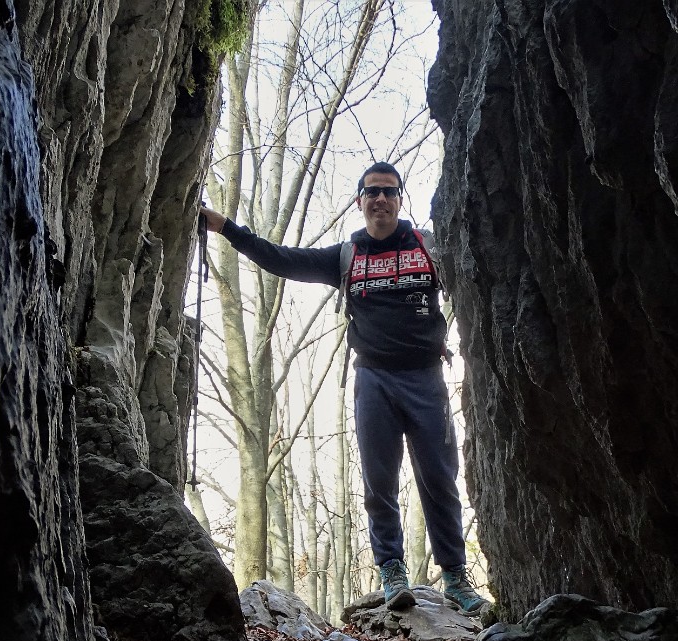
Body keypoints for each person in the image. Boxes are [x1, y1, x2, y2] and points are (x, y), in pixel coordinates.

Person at [200, 161, 491, 616]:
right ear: (360, 202)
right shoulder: (346, 256)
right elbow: (282, 259)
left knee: (439, 478)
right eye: (371, 192)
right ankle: (391, 570)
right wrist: (226, 229)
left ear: (400, 200)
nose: (380, 199)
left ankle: (455, 576)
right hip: (373, 378)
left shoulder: (431, 248)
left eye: (389, 192)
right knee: (379, 480)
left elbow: (481, 265)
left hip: (427, 378)